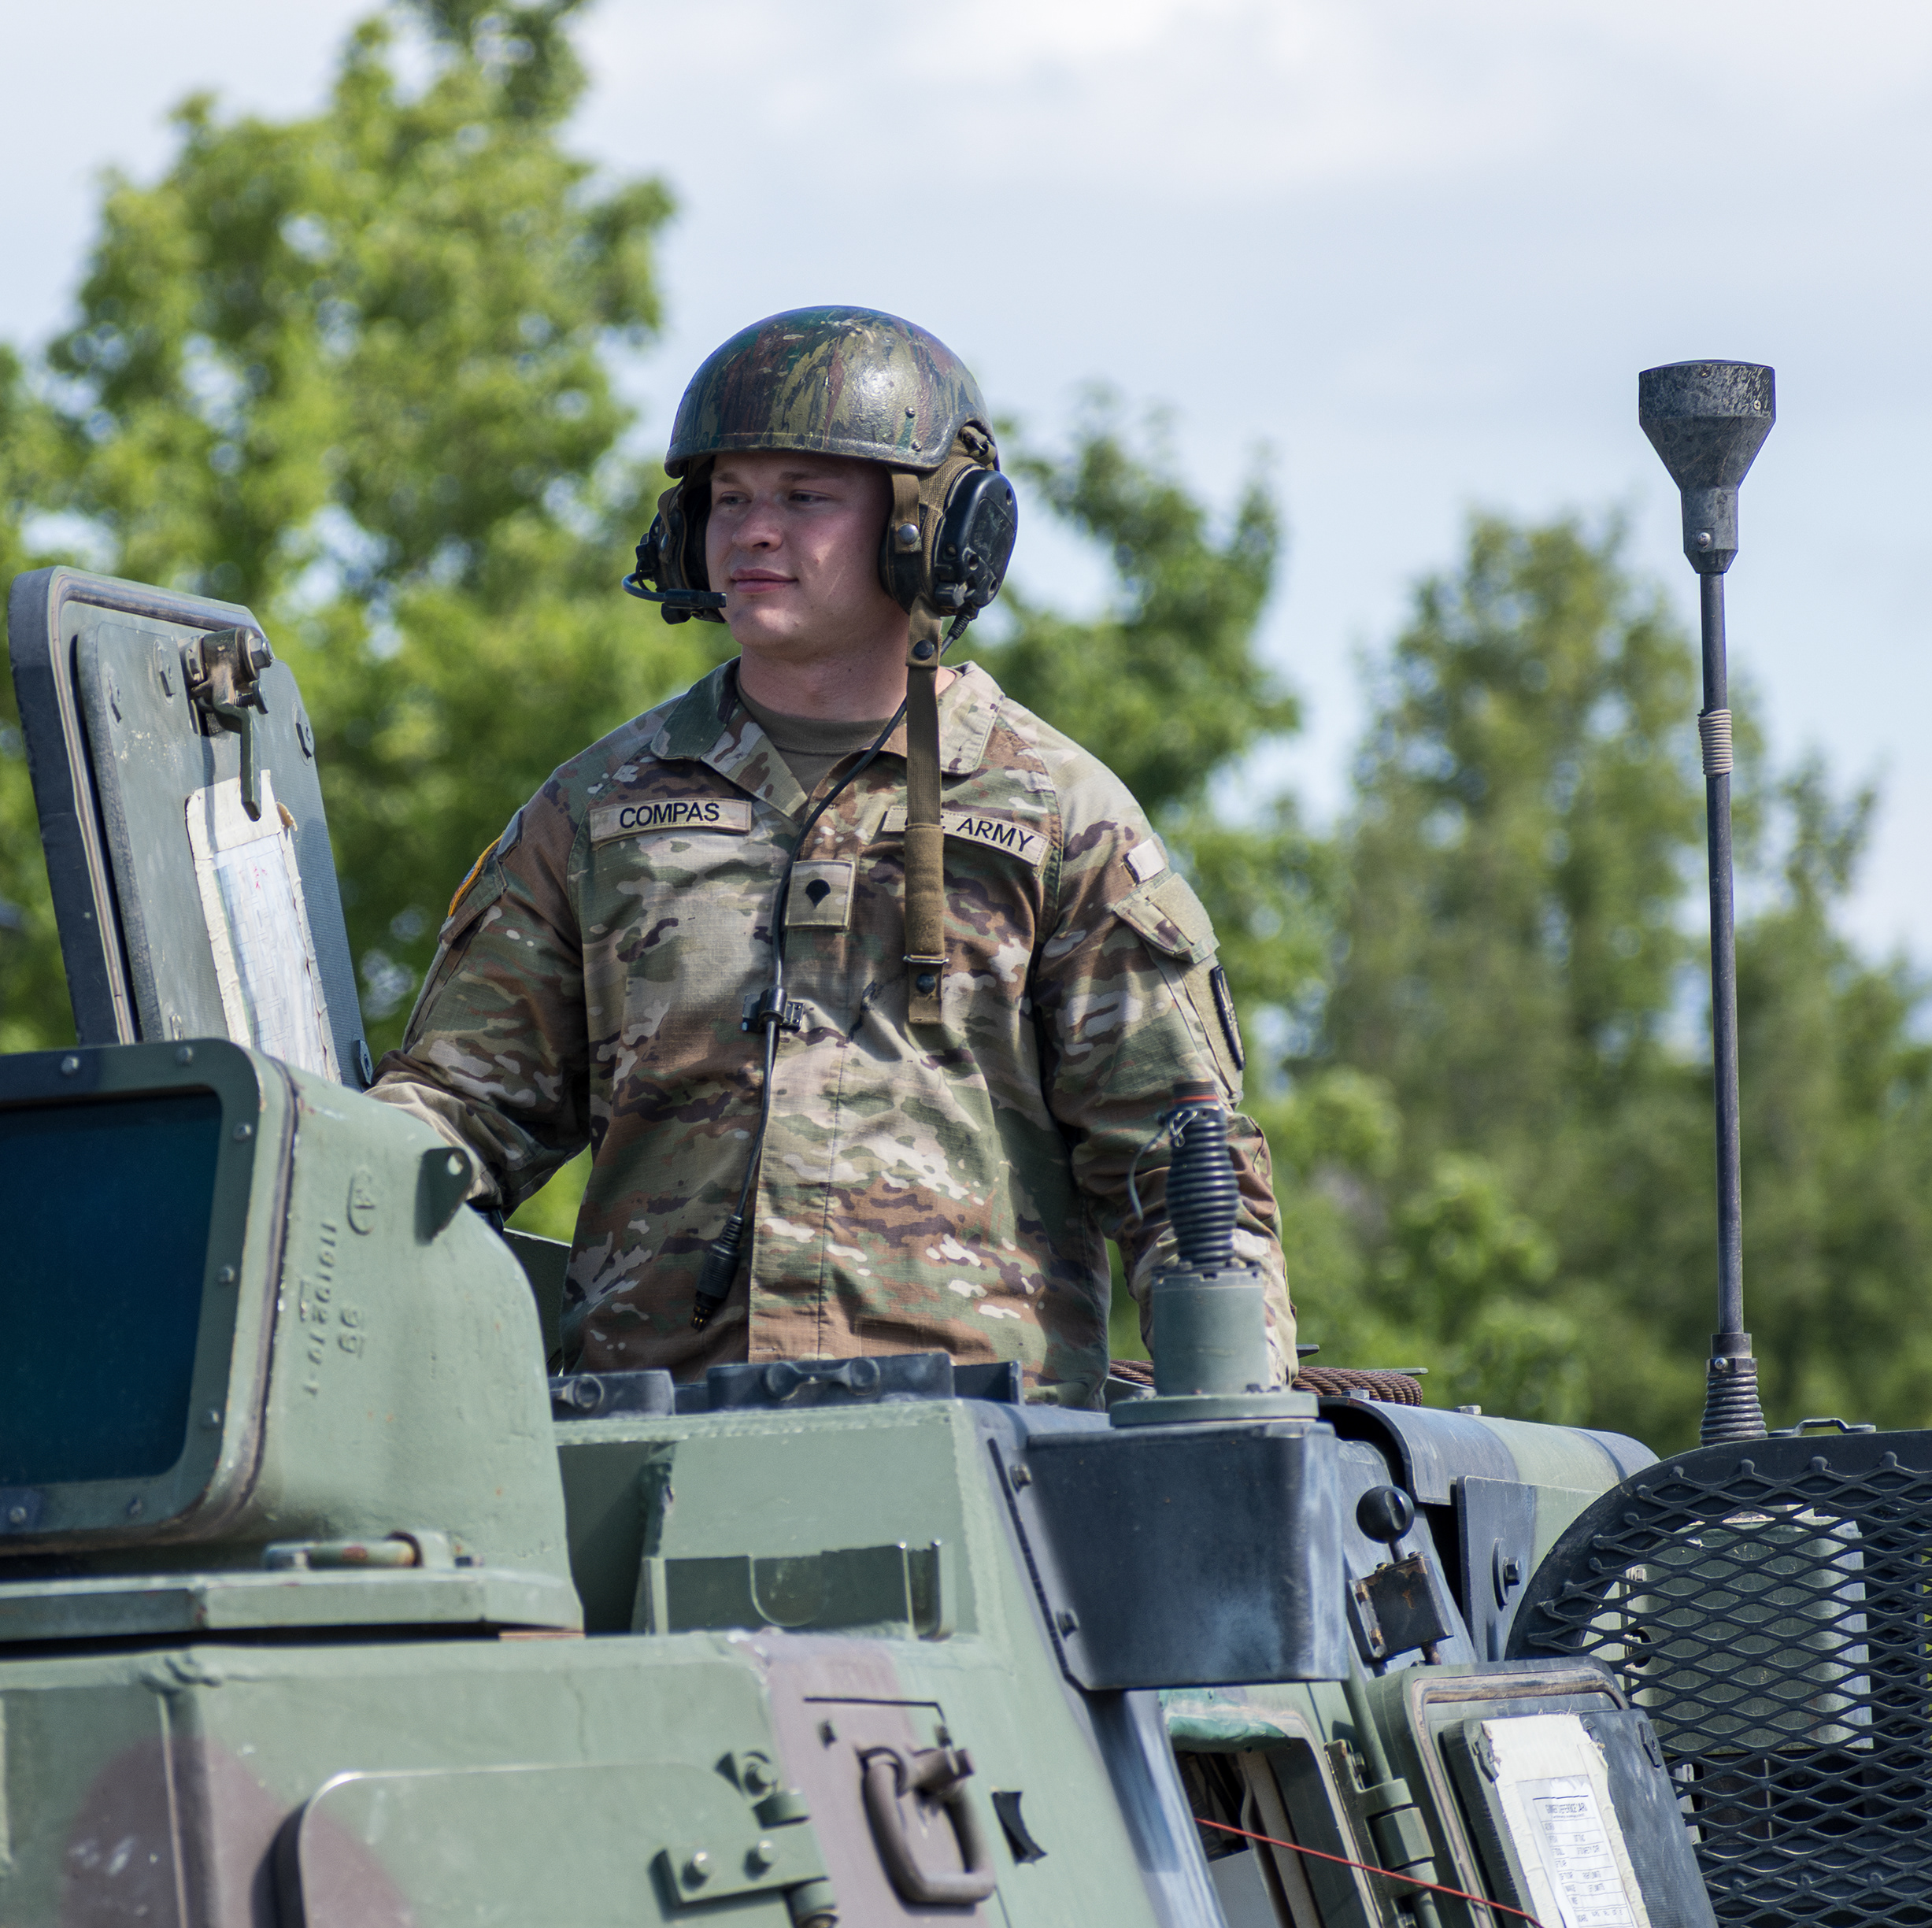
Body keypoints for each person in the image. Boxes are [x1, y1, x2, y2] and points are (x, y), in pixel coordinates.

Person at [368, 305, 1290, 1401]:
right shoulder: (602, 811)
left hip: (989, 1477)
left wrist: (1234, 1430)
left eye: (805, 498)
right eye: (729, 499)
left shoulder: (1059, 817)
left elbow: (1181, 1172)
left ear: (928, 530)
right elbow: (460, 1112)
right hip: (655, 1452)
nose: (754, 533)